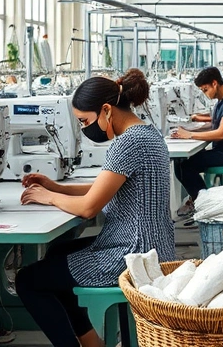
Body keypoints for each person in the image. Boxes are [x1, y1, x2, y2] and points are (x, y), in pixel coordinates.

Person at [17, 69, 173, 347]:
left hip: (130, 253)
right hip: (151, 245)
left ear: (106, 110)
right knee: (58, 253)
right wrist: (56, 187)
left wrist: (48, 198)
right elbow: (102, 189)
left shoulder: (128, 143)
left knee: (28, 281)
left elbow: (89, 208)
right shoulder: (147, 133)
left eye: (85, 121)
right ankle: (91, 342)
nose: (85, 128)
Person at [171, 66, 223, 218]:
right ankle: (199, 199)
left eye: (205, 90)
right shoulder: (221, 101)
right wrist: (189, 129)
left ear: (214, 83)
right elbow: (214, 123)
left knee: (184, 167)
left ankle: (205, 204)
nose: (205, 94)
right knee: (182, 162)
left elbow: (221, 133)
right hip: (222, 152)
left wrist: (190, 134)